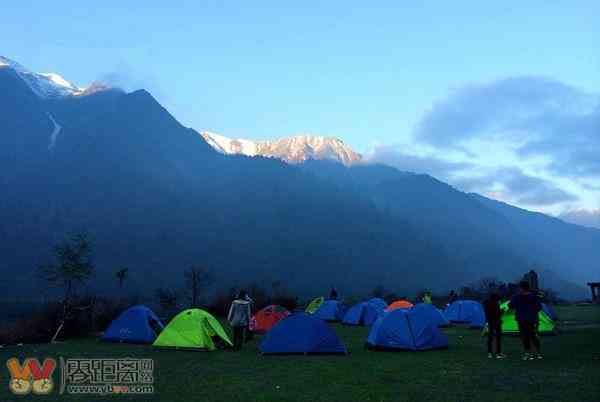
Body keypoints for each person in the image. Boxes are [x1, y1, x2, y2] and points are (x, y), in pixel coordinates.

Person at [509, 281, 543, 360]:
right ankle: (538, 353)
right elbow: (539, 307)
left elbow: (510, 305)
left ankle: (528, 354)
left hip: (521, 319)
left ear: (521, 288)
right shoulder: (534, 296)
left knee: (524, 336)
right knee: (533, 335)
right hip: (532, 319)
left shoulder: (517, 297)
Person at [483, 293, 505, 359]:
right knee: (498, 338)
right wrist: (502, 311)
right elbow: (497, 313)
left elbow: (488, 314)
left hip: (490, 322)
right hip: (496, 322)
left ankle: (489, 353)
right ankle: (498, 353)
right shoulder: (495, 304)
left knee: (490, 338)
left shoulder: (486, 304)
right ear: (495, 298)